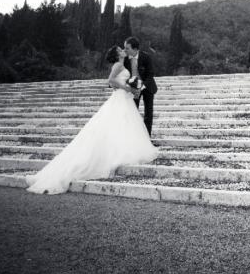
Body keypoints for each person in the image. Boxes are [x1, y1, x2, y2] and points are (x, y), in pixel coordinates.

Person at [26, 46, 158, 195]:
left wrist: (130, 85)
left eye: (124, 48)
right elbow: (110, 80)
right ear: (117, 54)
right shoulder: (118, 65)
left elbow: (121, 79)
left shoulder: (123, 64)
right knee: (119, 122)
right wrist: (126, 88)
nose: (123, 50)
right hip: (121, 97)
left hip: (123, 97)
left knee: (122, 124)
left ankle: (120, 148)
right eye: (121, 49)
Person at [123, 36, 158, 136]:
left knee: (148, 113)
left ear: (135, 49)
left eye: (127, 48)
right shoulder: (124, 59)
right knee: (133, 112)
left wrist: (141, 87)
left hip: (147, 87)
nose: (125, 50)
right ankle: (135, 137)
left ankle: (147, 137)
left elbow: (150, 74)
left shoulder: (146, 57)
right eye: (124, 47)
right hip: (133, 88)